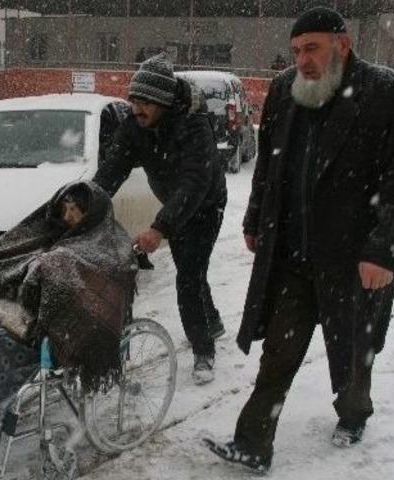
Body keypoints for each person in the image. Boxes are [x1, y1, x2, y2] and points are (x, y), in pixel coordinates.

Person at [203, 6, 394, 472]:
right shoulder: (286, 90)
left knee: (353, 351)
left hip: (355, 256)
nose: (303, 59)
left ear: (342, 44)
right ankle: (253, 443)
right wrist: (255, 220)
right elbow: (269, 163)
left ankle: (354, 413)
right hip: (294, 254)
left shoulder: (389, 94)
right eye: (296, 50)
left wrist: (384, 251)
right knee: (278, 354)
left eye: (312, 48)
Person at [0, 181, 136, 466]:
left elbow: (85, 292)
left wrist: (48, 269)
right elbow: (22, 259)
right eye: (64, 210)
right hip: (25, 321)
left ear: (90, 214)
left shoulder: (107, 245)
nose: (68, 218)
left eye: (75, 211)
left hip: (63, 334)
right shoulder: (54, 235)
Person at [93, 53, 228, 386]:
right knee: (190, 269)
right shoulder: (135, 124)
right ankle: (212, 320)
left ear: (164, 103)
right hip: (174, 203)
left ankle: (203, 349)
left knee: (188, 278)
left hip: (206, 205)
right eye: (133, 101)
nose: (137, 110)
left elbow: (195, 181)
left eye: (145, 104)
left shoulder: (194, 123)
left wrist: (159, 227)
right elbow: (113, 168)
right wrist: (87, 203)